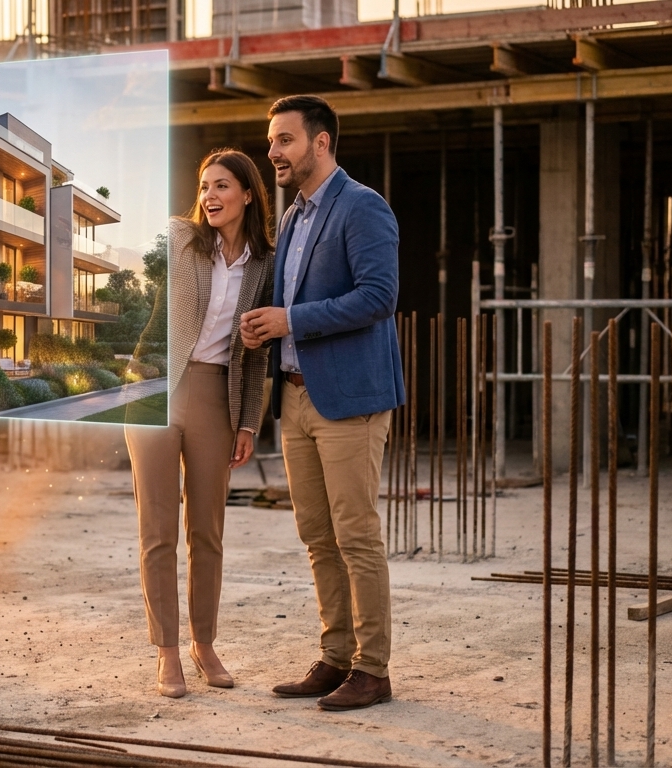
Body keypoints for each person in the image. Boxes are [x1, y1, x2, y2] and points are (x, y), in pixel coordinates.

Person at [240, 95, 404, 711]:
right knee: (317, 536)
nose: (273, 152)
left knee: (356, 535)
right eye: (272, 141)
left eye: (285, 140)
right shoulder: (291, 219)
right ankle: (336, 657)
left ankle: (373, 669)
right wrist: (267, 326)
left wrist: (291, 319)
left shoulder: (363, 207)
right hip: (297, 399)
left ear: (322, 142)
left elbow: (378, 297)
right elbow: (289, 307)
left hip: (350, 400)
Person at [126, 149, 274, 698]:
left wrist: (248, 423)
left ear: (247, 195)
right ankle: (168, 652)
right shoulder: (181, 239)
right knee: (158, 530)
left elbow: (257, 354)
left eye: (222, 186)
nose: (210, 195)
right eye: (205, 186)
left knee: (207, 532)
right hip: (156, 389)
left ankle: (203, 643)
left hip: (217, 396)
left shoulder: (265, 263)